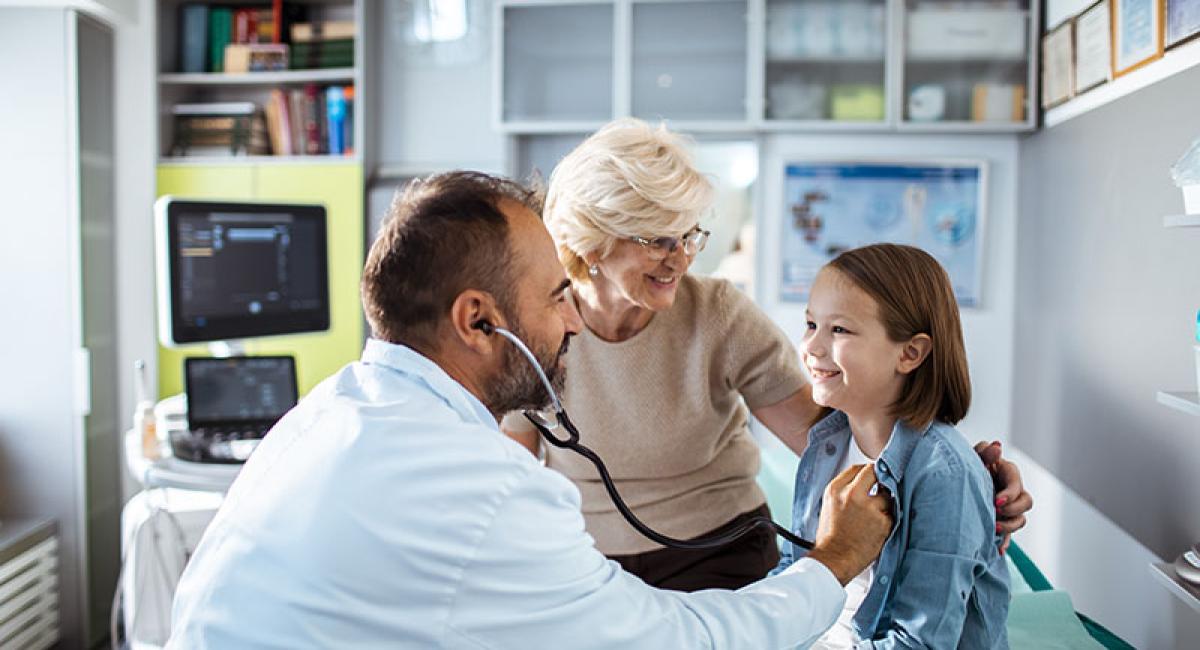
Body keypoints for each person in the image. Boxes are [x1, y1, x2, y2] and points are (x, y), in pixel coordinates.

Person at [166, 171, 894, 648]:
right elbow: (681, 642)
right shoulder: (489, 490)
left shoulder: (325, 413)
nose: (572, 323)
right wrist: (832, 563)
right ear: (479, 321)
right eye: (556, 298)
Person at [503, 118, 1032, 591]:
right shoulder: (533, 328)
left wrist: (957, 481)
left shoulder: (718, 314)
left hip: (721, 555)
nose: (680, 258)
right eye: (658, 239)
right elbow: (514, 470)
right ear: (593, 242)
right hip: (588, 559)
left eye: (688, 235)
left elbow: (830, 440)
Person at [776, 244, 1010, 648]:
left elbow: (920, 643)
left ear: (910, 353)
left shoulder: (945, 475)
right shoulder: (826, 446)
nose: (812, 347)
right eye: (811, 324)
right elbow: (792, 570)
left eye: (839, 330)